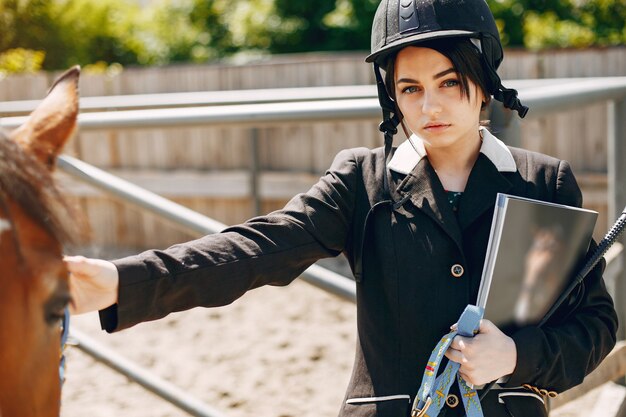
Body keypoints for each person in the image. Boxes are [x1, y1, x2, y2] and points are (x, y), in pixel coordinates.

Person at [66, 0, 618, 416]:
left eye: (449, 81)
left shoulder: (545, 182)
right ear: (392, 97)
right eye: (409, 89)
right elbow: (257, 248)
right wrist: (119, 280)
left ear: (484, 77)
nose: (430, 105)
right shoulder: (362, 181)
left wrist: (517, 356)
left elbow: (594, 325)